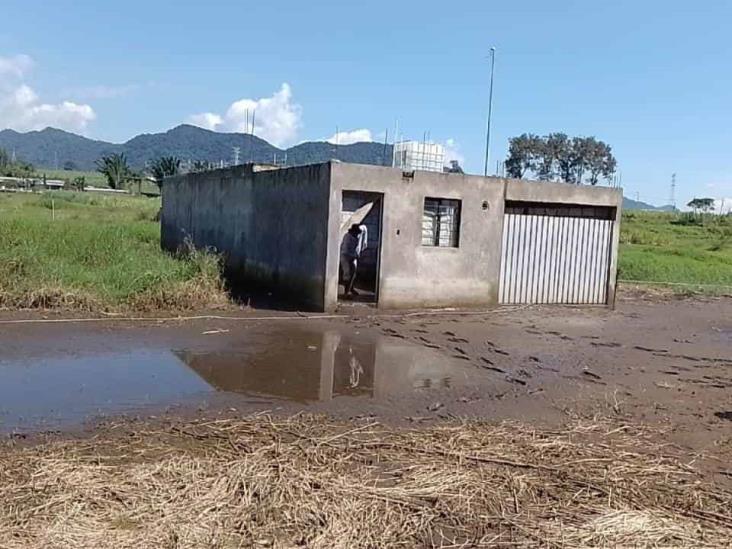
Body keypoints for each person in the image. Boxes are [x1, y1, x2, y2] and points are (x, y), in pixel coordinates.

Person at [340, 223, 368, 297]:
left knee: (354, 273)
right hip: (345, 256)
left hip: (353, 256)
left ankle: (350, 288)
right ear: (353, 231)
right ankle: (346, 292)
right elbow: (346, 251)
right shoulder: (347, 237)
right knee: (347, 273)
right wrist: (355, 256)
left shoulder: (357, 235)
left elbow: (364, 228)